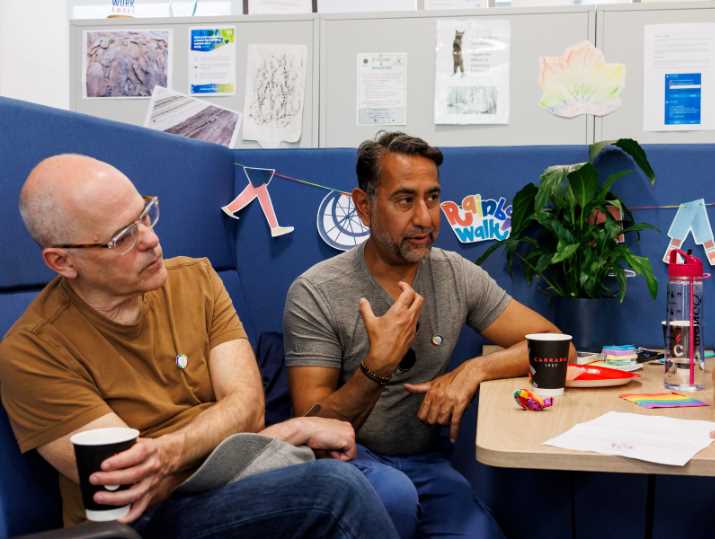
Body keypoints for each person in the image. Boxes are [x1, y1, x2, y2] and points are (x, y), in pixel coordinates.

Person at [0, 154, 399, 539]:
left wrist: (172, 452)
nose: (152, 240)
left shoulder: (197, 280)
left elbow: (247, 407)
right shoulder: (32, 352)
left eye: (145, 215)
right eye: (123, 237)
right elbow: (132, 484)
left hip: (229, 478)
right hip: (142, 522)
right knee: (334, 492)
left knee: (389, 489)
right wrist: (289, 432)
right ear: (62, 262)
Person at [284, 132, 571, 539]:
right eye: (405, 200)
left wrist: (475, 370)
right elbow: (309, 430)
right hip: (348, 463)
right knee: (393, 496)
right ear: (363, 207)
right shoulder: (316, 291)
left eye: (432, 198)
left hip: (427, 466)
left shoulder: (454, 274)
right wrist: (377, 367)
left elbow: (558, 347)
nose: (425, 218)